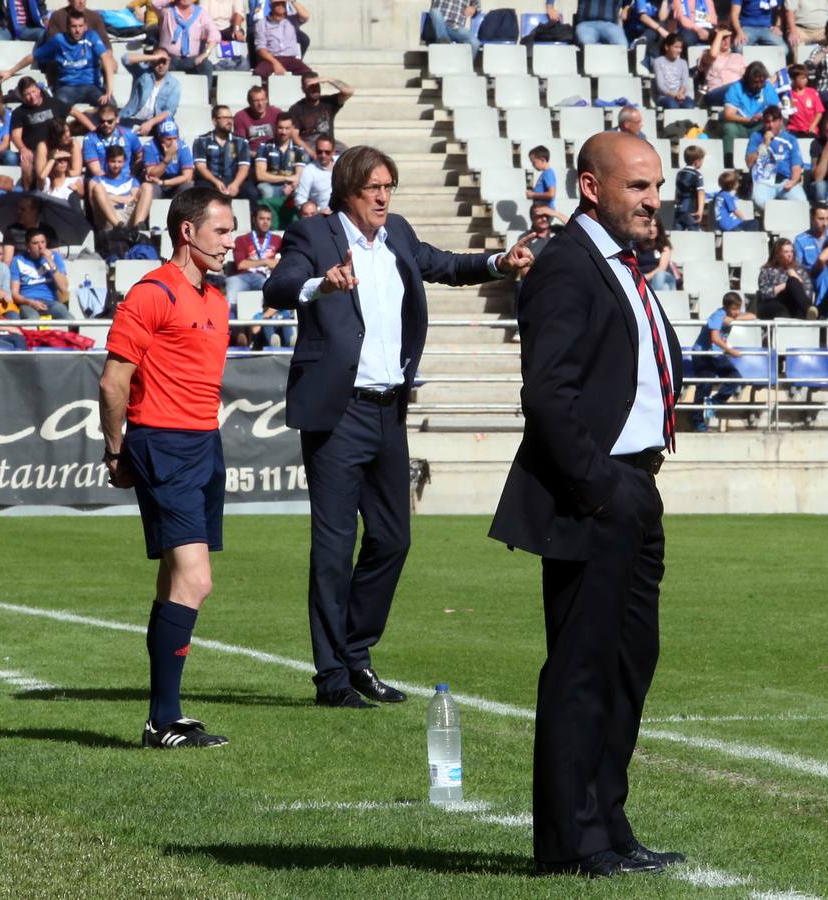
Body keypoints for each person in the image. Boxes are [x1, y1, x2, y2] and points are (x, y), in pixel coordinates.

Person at [263, 144, 532, 709]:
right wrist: (321, 285)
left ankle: (355, 654)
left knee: (392, 539)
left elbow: (445, 265)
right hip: (338, 413)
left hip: (389, 410)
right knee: (334, 548)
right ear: (347, 192)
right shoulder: (314, 235)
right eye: (374, 188)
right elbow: (278, 287)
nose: (384, 197)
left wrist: (498, 264)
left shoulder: (398, 234)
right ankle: (332, 678)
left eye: (389, 186)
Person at [488, 131, 684, 879]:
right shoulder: (567, 265)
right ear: (591, 187)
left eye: (656, 186)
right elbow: (547, 394)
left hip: (636, 485)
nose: (653, 200)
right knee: (582, 667)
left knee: (628, 663)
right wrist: (599, 487)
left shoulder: (621, 265)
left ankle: (607, 821)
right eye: (637, 186)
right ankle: (571, 841)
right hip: (598, 493)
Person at [98, 186, 237, 749]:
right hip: (163, 444)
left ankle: (162, 720)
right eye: (221, 231)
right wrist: (116, 450)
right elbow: (113, 382)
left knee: (174, 582)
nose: (229, 241)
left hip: (205, 444)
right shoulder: (151, 293)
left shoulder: (217, 299)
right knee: (196, 580)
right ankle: (163, 720)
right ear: (187, 231)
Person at [23, 8, 116, 107]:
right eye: (74, 26)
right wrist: (12, 71)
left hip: (92, 86)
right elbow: (34, 56)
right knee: (56, 106)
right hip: (67, 87)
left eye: (80, 26)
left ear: (85, 27)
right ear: (67, 27)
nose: (77, 30)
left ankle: (92, 115)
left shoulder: (91, 36)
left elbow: (106, 58)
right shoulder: (59, 40)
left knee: (110, 104)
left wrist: (109, 89)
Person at [690, 290, 751, 431]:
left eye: (738, 308)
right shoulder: (718, 315)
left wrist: (735, 319)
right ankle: (698, 421)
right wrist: (731, 351)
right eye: (734, 309)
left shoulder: (732, 315)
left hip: (716, 355)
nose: (737, 312)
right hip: (703, 354)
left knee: (735, 378)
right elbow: (715, 338)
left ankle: (713, 403)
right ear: (726, 307)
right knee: (705, 385)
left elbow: (752, 316)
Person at [9, 77, 84, 191]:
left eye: (33, 91)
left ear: (39, 90)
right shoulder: (19, 112)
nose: (32, 96)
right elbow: (15, 136)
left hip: (58, 148)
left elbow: (75, 112)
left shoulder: (53, 103)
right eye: (27, 94)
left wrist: (94, 130)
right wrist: (23, 149)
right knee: (26, 161)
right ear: (22, 96)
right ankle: (29, 193)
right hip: (35, 151)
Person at [192, 105, 257, 201]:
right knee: (201, 192)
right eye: (225, 118)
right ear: (214, 121)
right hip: (210, 180)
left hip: (233, 179)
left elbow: (244, 167)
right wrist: (216, 182)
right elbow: (201, 167)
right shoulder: (201, 141)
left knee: (252, 192)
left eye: (231, 117)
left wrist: (236, 184)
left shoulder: (241, 142)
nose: (229, 121)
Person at [745, 105, 804, 210]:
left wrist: (793, 181)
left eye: (773, 121)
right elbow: (749, 163)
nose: (770, 125)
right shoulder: (756, 137)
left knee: (801, 202)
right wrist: (764, 145)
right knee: (759, 201)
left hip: (785, 181)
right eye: (767, 122)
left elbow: (796, 165)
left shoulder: (791, 139)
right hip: (763, 182)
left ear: (781, 121)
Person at [226, 204, 279, 309]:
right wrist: (266, 261)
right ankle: (230, 318)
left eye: (268, 219)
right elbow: (241, 265)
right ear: (254, 220)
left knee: (272, 289)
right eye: (262, 218)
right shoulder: (242, 239)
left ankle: (269, 317)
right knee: (232, 292)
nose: (265, 222)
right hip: (242, 277)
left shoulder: (277, 240)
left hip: (265, 277)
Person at [90, 145, 153, 234]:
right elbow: (94, 204)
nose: (116, 165)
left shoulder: (132, 180)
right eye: (113, 161)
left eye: (119, 162)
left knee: (147, 186)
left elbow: (133, 199)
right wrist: (125, 199)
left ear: (124, 162)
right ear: (107, 161)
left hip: (128, 215)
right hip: (107, 219)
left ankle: (138, 227)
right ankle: (118, 226)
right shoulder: (96, 180)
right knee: (98, 188)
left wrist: (108, 197)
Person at [288, 73, 353, 158]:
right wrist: (311, 153)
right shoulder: (297, 108)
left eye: (316, 85)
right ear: (303, 89)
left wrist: (329, 80)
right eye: (310, 86)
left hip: (328, 143)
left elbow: (349, 91)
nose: (314, 89)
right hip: (309, 145)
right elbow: (295, 137)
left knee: (349, 154)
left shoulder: (328, 102)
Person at [151, 0, 222, 77]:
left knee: (206, 65)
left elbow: (215, 34)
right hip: (169, 58)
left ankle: (205, 85)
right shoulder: (166, 10)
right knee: (155, 64)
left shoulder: (201, 13)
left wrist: (205, 54)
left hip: (191, 59)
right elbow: (154, 3)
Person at [11, 228, 70, 320]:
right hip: (28, 302)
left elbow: (64, 288)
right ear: (27, 246)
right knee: (33, 319)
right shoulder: (17, 260)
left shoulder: (54, 257)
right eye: (35, 243)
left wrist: (50, 262)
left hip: (50, 302)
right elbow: (14, 294)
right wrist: (31, 302)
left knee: (69, 318)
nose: (40, 246)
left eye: (43, 242)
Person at [119, 49, 182, 134]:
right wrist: (154, 57)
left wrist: (150, 123)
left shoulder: (174, 84)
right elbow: (125, 59)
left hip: (155, 124)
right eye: (157, 62)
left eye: (164, 62)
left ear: (169, 61)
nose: (161, 65)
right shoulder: (142, 73)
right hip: (130, 118)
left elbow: (170, 111)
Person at [254, 112, 309, 202]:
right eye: (280, 128)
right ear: (275, 127)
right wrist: (286, 178)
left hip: (290, 187)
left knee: (300, 191)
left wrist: (291, 186)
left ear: (292, 128)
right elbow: (260, 175)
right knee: (265, 190)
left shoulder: (298, 149)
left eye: (287, 128)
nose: (283, 132)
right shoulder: (264, 146)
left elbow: (299, 176)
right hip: (269, 185)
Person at [83, 102, 144, 179]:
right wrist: (112, 183)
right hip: (101, 180)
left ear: (117, 119)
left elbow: (141, 156)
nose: (105, 124)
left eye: (110, 121)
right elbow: (96, 170)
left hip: (126, 179)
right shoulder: (90, 139)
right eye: (102, 121)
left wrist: (132, 174)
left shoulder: (129, 134)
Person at [253, 0, 313, 76]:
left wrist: (292, 1)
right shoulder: (261, 23)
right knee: (258, 74)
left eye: (282, 4)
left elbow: (305, 16)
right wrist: (275, 63)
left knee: (310, 75)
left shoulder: (292, 20)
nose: (280, 6)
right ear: (271, 6)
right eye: (277, 4)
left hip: (291, 59)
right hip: (271, 58)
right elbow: (260, 48)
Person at [144, 118, 196, 200]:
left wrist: (163, 183)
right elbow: (152, 175)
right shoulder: (150, 146)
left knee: (189, 185)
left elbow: (187, 177)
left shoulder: (183, 147)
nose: (173, 143)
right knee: (149, 187)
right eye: (168, 139)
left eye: (175, 138)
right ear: (160, 138)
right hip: (156, 183)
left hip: (175, 182)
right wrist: (167, 159)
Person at [697, 28, 745, 106]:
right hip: (715, 92)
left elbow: (745, 76)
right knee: (735, 86)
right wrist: (719, 34)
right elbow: (713, 55)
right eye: (722, 38)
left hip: (737, 91)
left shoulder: (738, 57)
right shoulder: (706, 54)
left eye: (727, 38)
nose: (726, 41)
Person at [293, 134, 334, 213]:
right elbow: (300, 199)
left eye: (327, 152)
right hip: (324, 214)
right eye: (319, 152)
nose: (323, 155)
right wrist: (318, 211)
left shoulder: (341, 164)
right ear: (315, 150)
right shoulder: (309, 171)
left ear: (333, 152)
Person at [652, 34, 695, 109]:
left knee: (690, 105)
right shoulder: (658, 62)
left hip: (681, 96)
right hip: (665, 96)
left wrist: (680, 93)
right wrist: (674, 95)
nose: (679, 50)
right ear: (667, 47)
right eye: (676, 47)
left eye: (680, 47)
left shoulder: (683, 62)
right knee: (673, 105)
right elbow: (660, 86)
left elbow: (684, 82)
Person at [235, 86, 280, 155]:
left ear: (267, 100)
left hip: (274, 153)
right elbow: (240, 146)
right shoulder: (241, 116)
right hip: (252, 155)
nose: (260, 104)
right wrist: (258, 155)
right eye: (256, 101)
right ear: (249, 102)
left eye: (263, 99)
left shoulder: (276, 113)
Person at [672, 144, 706, 231]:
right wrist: (700, 211)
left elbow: (677, 191)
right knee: (693, 235)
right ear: (697, 162)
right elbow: (701, 193)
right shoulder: (697, 175)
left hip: (679, 210)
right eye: (702, 161)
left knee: (677, 235)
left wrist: (676, 203)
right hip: (691, 211)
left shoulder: (679, 173)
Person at [636, 216, 676, 291]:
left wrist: (645, 278)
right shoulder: (636, 246)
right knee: (665, 287)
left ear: (659, 228)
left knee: (659, 276)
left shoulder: (664, 246)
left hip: (663, 276)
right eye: (649, 225)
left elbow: (661, 268)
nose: (652, 229)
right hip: (645, 278)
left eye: (655, 226)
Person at [785, 65, 824, 137]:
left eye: (806, 77)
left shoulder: (812, 92)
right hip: (794, 130)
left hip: (810, 130)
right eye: (802, 78)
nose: (806, 80)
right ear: (793, 79)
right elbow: (786, 113)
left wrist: (813, 126)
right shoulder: (788, 94)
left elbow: (819, 112)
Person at [525, 145, 557, 210]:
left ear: (542, 160)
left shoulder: (548, 173)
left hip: (546, 210)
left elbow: (551, 194)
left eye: (534, 162)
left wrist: (533, 195)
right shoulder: (544, 173)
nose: (532, 165)